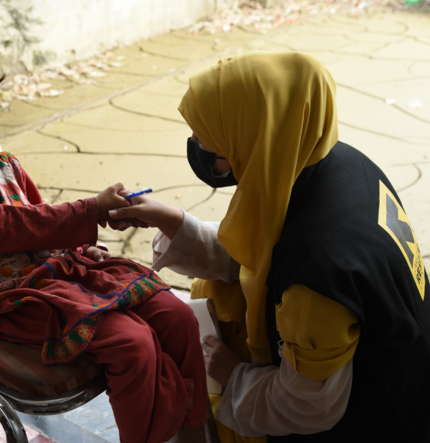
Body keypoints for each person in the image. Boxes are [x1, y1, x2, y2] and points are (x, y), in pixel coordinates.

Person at [0, 42, 209, 443]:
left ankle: (194, 435)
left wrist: (80, 249)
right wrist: (90, 211)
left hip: (67, 275)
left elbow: (40, 219)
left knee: (176, 316)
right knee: (132, 343)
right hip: (12, 298)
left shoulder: (4, 166)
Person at [109, 51, 430, 442]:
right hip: (409, 366)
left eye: (206, 131)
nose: (196, 142)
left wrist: (233, 374)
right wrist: (173, 222)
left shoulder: (316, 275)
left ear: (255, 132)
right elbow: (268, 250)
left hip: (374, 418)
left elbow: (307, 406)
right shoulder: (332, 161)